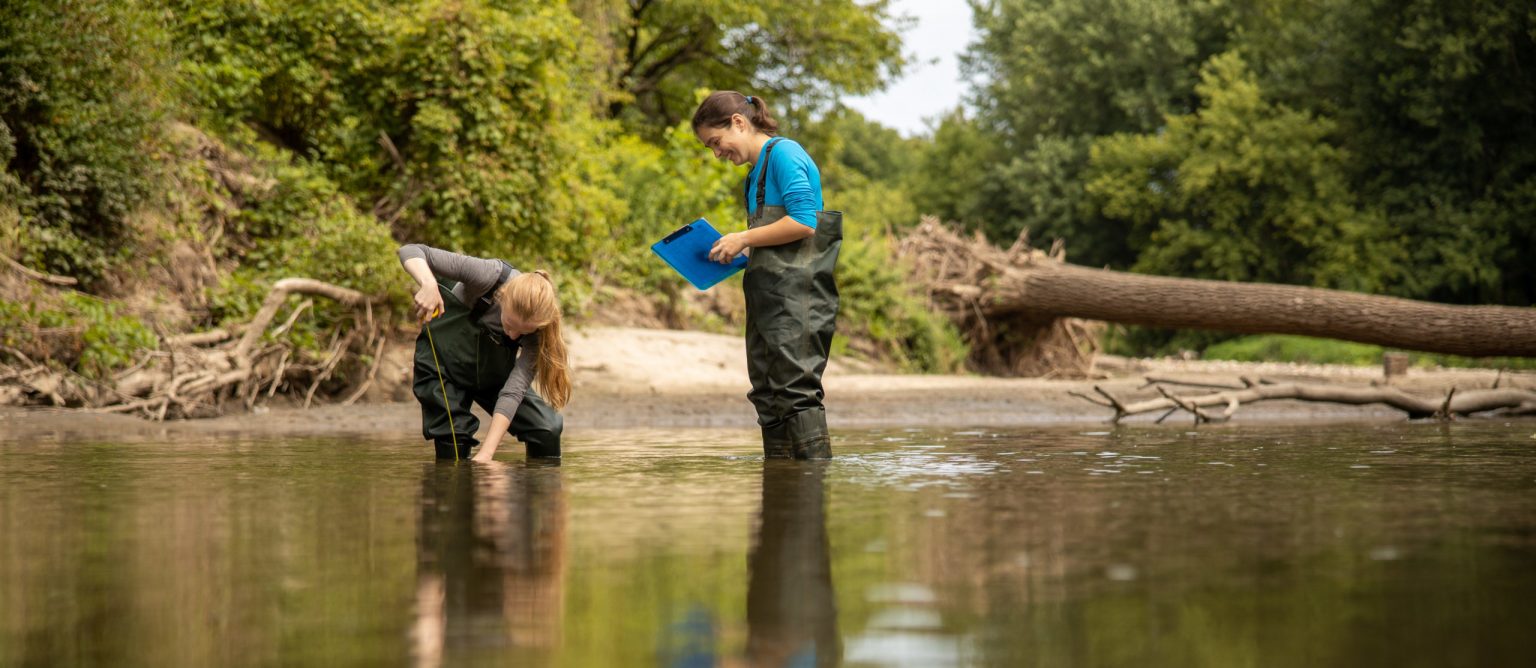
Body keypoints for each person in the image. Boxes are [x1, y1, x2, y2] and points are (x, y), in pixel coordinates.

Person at [692, 91, 842, 459]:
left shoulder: (785, 154)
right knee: (765, 390)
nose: (717, 153)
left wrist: (743, 236)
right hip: (766, 298)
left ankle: (810, 483)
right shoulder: (752, 176)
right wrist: (740, 248)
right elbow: (775, 236)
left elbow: (805, 221)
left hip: (800, 297)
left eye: (716, 141)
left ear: (739, 123)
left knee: (795, 389)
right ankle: (780, 483)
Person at [398, 244, 570, 461]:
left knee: (547, 428)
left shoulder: (541, 331)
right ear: (503, 297)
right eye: (509, 325)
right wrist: (429, 283)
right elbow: (411, 250)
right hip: (444, 366)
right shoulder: (488, 275)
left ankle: (539, 491)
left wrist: (487, 454)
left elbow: (513, 392)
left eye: (524, 332)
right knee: (454, 437)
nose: (515, 336)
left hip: (492, 374)